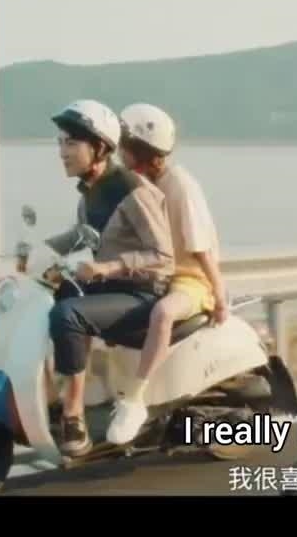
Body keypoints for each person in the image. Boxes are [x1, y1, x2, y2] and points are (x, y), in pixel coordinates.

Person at [47, 98, 177, 456]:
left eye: (72, 143)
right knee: (52, 300)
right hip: (112, 290)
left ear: (100, 147)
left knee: (68, 314)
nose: (63, 152)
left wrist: (108, 267)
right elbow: (83, 236)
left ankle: (73, 415)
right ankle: (56, 396)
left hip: (143, 297)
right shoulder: (90, 193)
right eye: (60, 143)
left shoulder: (133, 190)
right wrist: (37, 257)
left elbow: (164, 256)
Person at [105, 102, 228, 445]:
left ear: (141, 150)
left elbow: (200, 247)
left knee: (162, 313)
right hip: (154, 275)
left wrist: (218, 292)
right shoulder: (137, 183)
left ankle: (134, 400)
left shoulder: (180, 185)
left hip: (189, 279)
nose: (120, 154)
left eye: (125, 147)